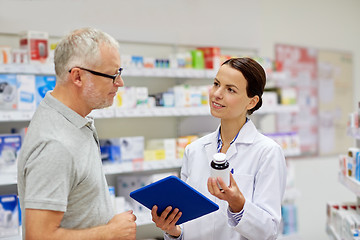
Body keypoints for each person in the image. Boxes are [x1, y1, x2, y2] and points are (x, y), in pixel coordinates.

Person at [17, 27, 136, 240]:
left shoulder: (74, 121)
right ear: (78, 77)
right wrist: (110, 233)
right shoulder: (55, 145)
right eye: (112, 75)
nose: (120, 83)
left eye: (120, 72)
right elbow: (38, 236)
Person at [151, 57, 287, 240]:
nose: (217, 93)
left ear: (252, 102)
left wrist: (238, 204)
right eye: (216, 84)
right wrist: (173, 231)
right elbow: (186, 225)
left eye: (230, 89)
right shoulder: (195, 150)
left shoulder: (267, 152)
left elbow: (268, 231)